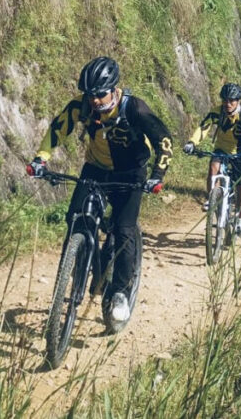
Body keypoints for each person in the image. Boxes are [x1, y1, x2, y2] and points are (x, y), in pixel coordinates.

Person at [27, 56, 173, 324]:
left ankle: (119, 293)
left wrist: (157, 175)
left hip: (131, 173)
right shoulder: (82, 107)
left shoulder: (134, 109)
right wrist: (41, 159)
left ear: (114, 88)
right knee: (76, 220)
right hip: (96, 168)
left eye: (100, 94)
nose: (94, 100)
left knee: (124, 230)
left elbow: (163, 140)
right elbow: (58, 129)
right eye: (90, 94)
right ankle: (78, 264)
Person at [183, 82, 241, 237]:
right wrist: (192, 142)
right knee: (213, 167)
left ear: (238, 100)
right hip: (222, 149)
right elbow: (203, 128)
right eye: (225, 100)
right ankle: (212, 198)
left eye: (232, 100)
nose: (228, 104)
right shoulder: (217, 112)